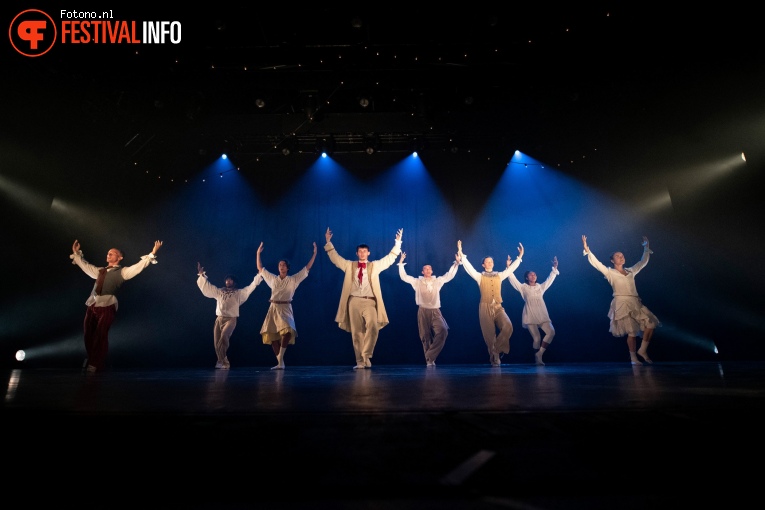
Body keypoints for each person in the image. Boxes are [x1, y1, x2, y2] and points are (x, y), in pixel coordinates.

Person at [70, 239, 163, 372]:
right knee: (88, 334)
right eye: (108, 253)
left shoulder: (123, 272)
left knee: (101, 334)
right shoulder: (100, 271)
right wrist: (76, 253)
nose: (109, 254)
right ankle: (93, 359)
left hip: (107, 304)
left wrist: (152, 253)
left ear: (120, 257)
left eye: (112, 253)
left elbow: (138, 266)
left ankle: (95, 363)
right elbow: (85, 266)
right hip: (93, 304)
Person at [325, 227, 403, 369]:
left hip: (370, 301)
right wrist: (328, 242)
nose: (362, 253)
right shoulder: (350, 265)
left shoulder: (374, 265)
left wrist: (397, 243)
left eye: (364, 251)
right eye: (360, 251)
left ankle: (366, 355)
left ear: (368, 253)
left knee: (373, 326)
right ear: (357, 253)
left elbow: (389, 259)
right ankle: (360, 361)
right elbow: (336, 259)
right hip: (354, 300)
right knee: (357, 333)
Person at [581, 235, 660, 365]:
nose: (621, 257)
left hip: (635, 302)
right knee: (632, 332)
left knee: (650, 324)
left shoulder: (630, 271)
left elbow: (642, 262)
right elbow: (596, 264)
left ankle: (643, 350)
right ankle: (633, 357)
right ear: (612, 260)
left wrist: (646, 248)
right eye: (618, 256)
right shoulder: (610, 272)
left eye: (622, 255)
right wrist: (587, 249)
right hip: (621, 302)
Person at [457, 240, 524, 367]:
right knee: (489, 336)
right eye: (487, 262)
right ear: (483, 265)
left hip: (498, 306)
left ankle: (495, 351)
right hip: (484, 307)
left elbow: (511, 270)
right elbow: (469, 267)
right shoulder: (479, 276)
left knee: (508, 326)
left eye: (491, 261)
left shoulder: (500, 275)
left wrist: (519, 257)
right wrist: (461, 252)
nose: (489, 263)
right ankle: (495, 358)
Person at [256, 241, 317, 370]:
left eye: (283, 265)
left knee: (288, 331)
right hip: (273, 308)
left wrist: (315, 253)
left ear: (287, 268)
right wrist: (258, 254)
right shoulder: (273, 279)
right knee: (272, 335)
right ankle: (280, 363)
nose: (281, 267)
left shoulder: (293, 279)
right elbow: (260, 268)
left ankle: (280, 360)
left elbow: (307, 268)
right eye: (280, 265)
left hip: (286, 307)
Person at [397, 250, 461, 366]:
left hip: (435, 311)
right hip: (423, 311)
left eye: (429, 268)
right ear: (422, 271)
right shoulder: (417, 282)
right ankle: (430, 360)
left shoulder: (438, 281)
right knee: (425, 336)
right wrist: (401, 263)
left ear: (432, 271)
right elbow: (404, 277)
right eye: (425, 269)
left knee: (443, 330)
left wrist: (456, 263)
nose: (427, 270)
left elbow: (449, 275)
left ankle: (429, 355)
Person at [197, 262, 263, 370]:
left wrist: (259, 276)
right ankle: (222, 360)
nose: (228, 281)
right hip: (219, 319)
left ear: (234, 282)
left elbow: (251, 287)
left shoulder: (239, 293)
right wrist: (201, 275)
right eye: (227, 280)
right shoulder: (219, 291)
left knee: (224, 337)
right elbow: (207, 288)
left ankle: (223, 361)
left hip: (231, 319)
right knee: (216, 342)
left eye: (230, 280)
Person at [506, 254, 560, 366]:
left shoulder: (540, 287)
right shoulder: (523, 287)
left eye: (534, 274)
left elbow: (550, 279)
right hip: (530, 314)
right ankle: (538, 359)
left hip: (542, 314)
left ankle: (539, 354)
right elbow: (512, 278)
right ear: (527, 277)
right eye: (531, 275)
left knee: (551, 332)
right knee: (537, 338)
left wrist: (554, 268)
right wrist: (509, 266)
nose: (533, 276)